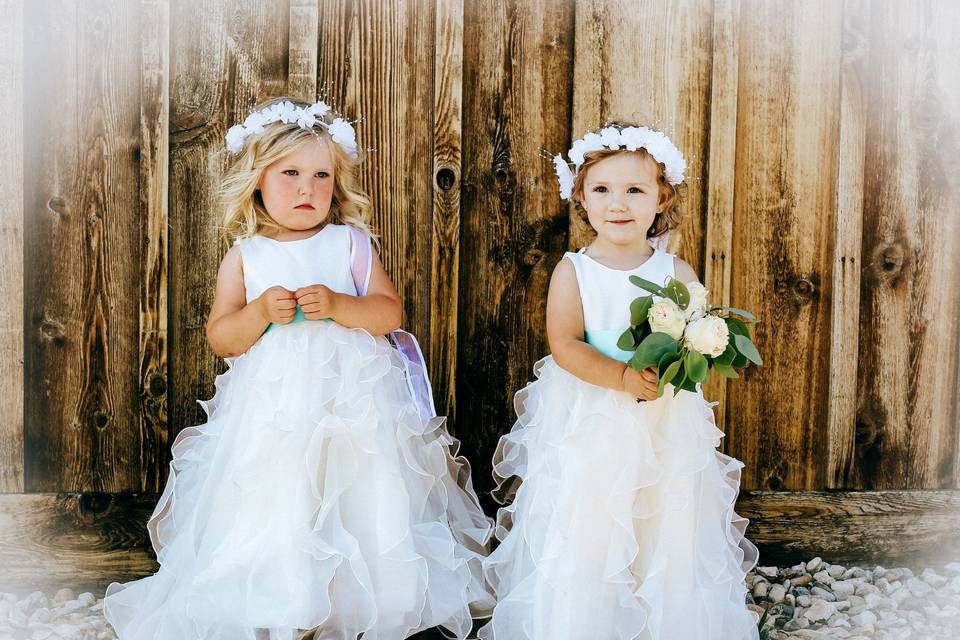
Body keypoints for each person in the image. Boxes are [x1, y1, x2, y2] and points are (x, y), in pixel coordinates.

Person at [104, 97, 494, 640]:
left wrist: (339, 305)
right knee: (279, 493)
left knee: (361, 486)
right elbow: (222, 338)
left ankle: (359, 595)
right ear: (258, 181)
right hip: (275, 408)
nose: (307, 188)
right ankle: (282, 592)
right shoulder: (247, 254)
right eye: (290, 174)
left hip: (352, 401)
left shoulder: (349, 243)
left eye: (321, 175)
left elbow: (388, 312)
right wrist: (260, 312)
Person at [479, 124, 760, 639]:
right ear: (581, 199)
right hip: (593, 414)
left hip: (661, 416)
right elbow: (565, 343)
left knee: (666, 511)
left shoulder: (676, 268)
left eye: (635, 190)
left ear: (661, 198)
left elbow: (695, 329)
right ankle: (588, 619)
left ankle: (663, 617)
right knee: (592, 516)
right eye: (602, 190)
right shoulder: (575, 270)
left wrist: (694, 353)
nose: (618, 204)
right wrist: (620, 376)